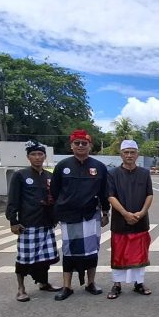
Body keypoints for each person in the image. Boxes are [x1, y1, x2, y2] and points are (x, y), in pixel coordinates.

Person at [50, 129, 110, 301]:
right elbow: (54, 191)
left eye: (84, 143)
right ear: (71, 145)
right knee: (69, 252)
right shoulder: (63, 166)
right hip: (69, 216)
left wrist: (105, 212)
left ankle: (91, 283)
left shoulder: (99, 167)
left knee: (92, 251)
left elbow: (104, 191)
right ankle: (67, 286)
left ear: (90, 145)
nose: (81, 146)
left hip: (91, 216)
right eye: (77, 143)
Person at [5, 140, 61, 301]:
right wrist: (13, 221)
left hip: (46, 223)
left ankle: (44, 282)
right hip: (27, 223)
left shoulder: (50, 176)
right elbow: (13, 200)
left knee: (45, 257)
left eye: (40, 154)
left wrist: (56, 216)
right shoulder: (20, 175)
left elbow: (56, 198)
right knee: (25, 257)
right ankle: (21, 288)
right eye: (33, 154)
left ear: (44, 156)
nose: (37, 157)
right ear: (28, 157)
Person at [106, 140, 154, 299]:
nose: (129, 155)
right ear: (121, 154)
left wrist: (141, 212)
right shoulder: (112, 173)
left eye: (132, 152)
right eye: (126, 152)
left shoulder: (144, 173)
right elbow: (111, 196)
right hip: (120, 220)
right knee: (119, 252)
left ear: (137, 154)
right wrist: (125, 213)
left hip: (140, 220)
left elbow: (149, 195)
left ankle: (139, 283)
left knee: (139, 253)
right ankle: (116, 284)